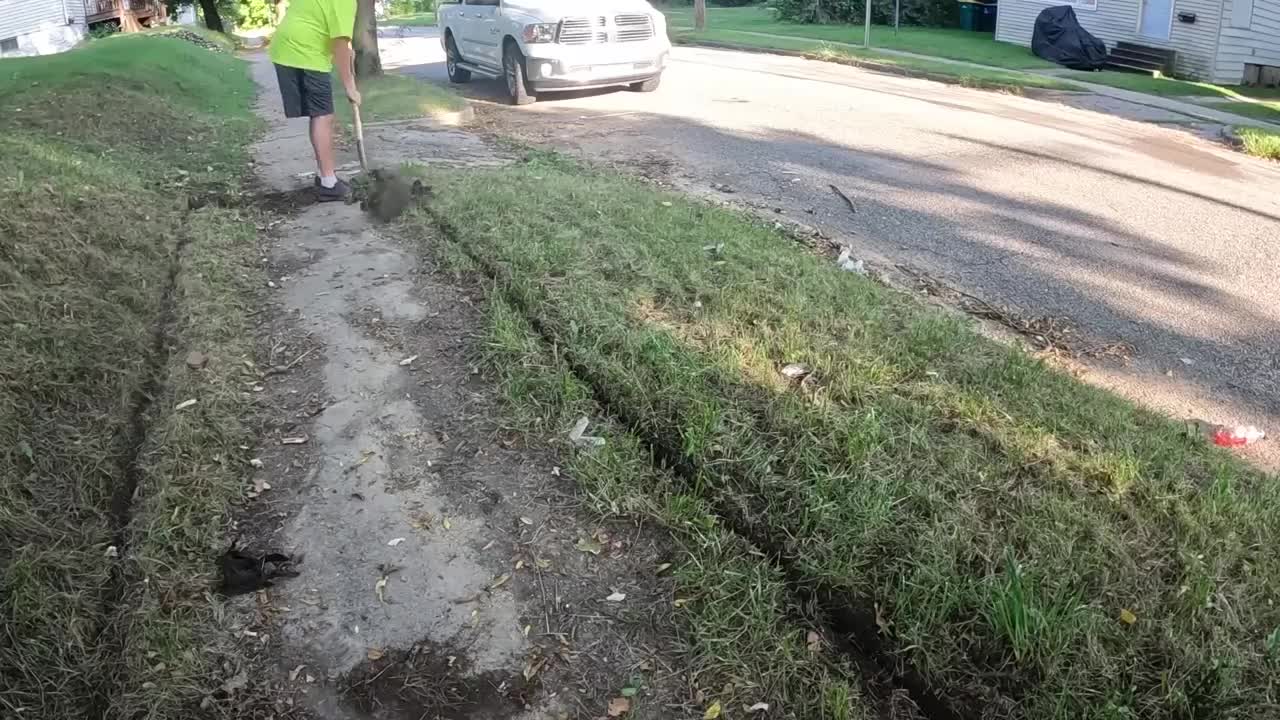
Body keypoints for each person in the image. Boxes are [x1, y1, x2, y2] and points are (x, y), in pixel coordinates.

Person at [269, 0, 361, 200]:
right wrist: (349, 86)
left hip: (291, 46)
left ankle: (324, 176)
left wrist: (347, 51)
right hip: (303, 52)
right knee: (323, 115)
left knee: (319, 113)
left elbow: (340, 40)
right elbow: (340, 44)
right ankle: (328, 183)